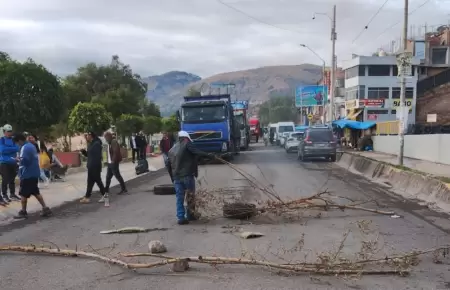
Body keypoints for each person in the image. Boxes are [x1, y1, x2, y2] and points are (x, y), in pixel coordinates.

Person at [168, 131, 211, 225]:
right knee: (190, 196)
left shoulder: (172, 149)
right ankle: (190, 215)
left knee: (179, 197)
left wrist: (172, 177)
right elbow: (196, 152)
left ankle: (180, 218)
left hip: (177, 177)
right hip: (187, 175)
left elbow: (168, 164)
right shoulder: (187, 143)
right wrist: (210, 155)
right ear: (186, 137)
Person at [12, 133, 52, 219]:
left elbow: (25, 161)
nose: (17, 145)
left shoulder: (25, 148)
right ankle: (45, 208)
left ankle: (23, 211)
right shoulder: (31, 146)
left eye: (17, 143)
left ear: (19, 141)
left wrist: (17, 160)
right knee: (35, 192)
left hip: (27, 174)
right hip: (34, 173)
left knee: (23, 193)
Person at [79, 131, 106, 203]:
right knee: (90, 182)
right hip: (90, 167)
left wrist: (95, 167)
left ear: (91, 136)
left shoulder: (97, 144)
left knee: (98, 182)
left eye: (87, 135)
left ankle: (105, 196)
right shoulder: (91, 144)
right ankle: (87, 197)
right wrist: (84, 152)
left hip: (95, 167)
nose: (86, 137)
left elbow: (97, 157)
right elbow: (89, 155)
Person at [0, 124, 20, 205]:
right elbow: (2, 150)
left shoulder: (13, 140)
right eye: (8, 131)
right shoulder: (2, 140)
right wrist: (12, 149)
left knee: (12, 179)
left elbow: (17, 148)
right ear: (4, 132)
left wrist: (8, 149)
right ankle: (4, 195)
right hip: (4, 162)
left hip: (13, 162)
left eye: (10, 131)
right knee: (5, 179)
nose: (9, 133)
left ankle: (12, 194)